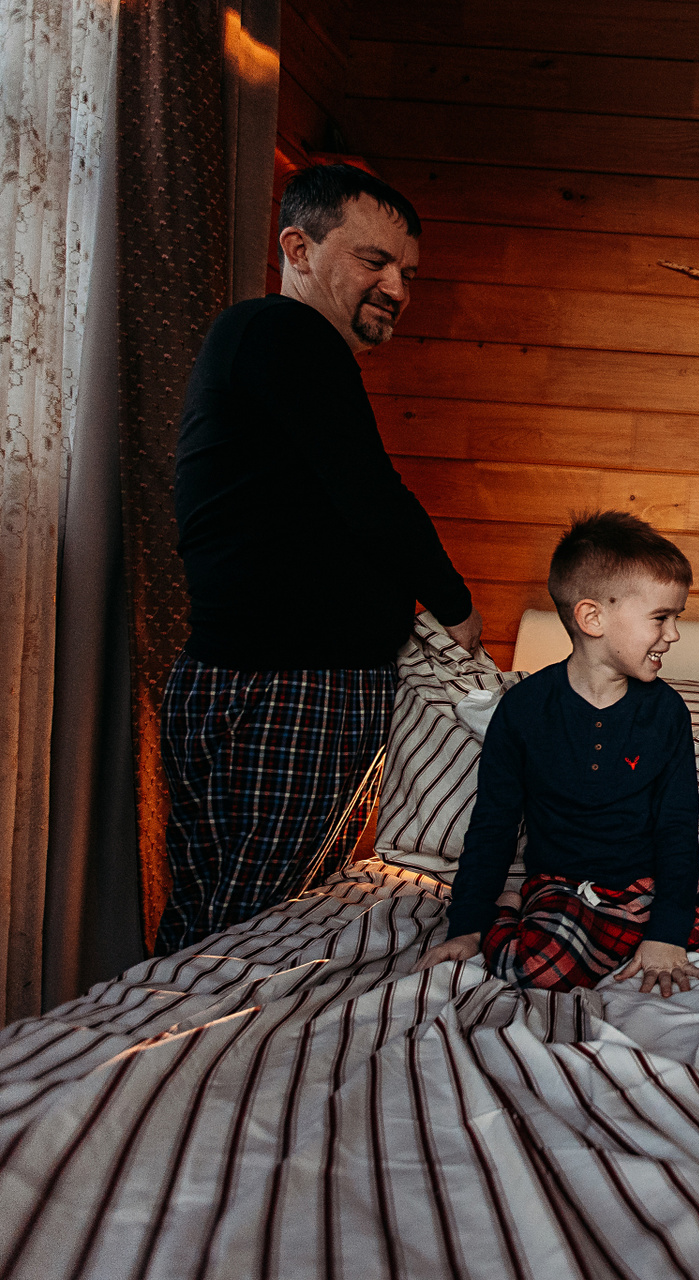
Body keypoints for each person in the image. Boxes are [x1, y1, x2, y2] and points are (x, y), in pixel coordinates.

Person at [161, 164, 483, 953]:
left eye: (408, 273)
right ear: (299, 249)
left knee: (208, 914)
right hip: (295, 687)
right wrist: (454, 602)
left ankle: (160, 1026)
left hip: (236, 670)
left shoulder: (258, 342)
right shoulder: (288, 333)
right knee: (258, 927)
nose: (397, 288)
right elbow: (368, 490)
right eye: (375, 261)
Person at [412, 511, 699, 993]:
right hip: (566, 889)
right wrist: (467, 925)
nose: (673, 634)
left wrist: (666, 934)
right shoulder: (523, 709)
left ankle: (619, 939)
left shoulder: (666, 712)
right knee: (537, 968)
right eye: (661, 618)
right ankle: (512, 909)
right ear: (592, 618)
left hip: (650, 886)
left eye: (676, 618)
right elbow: (492, 826)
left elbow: (677, 829)